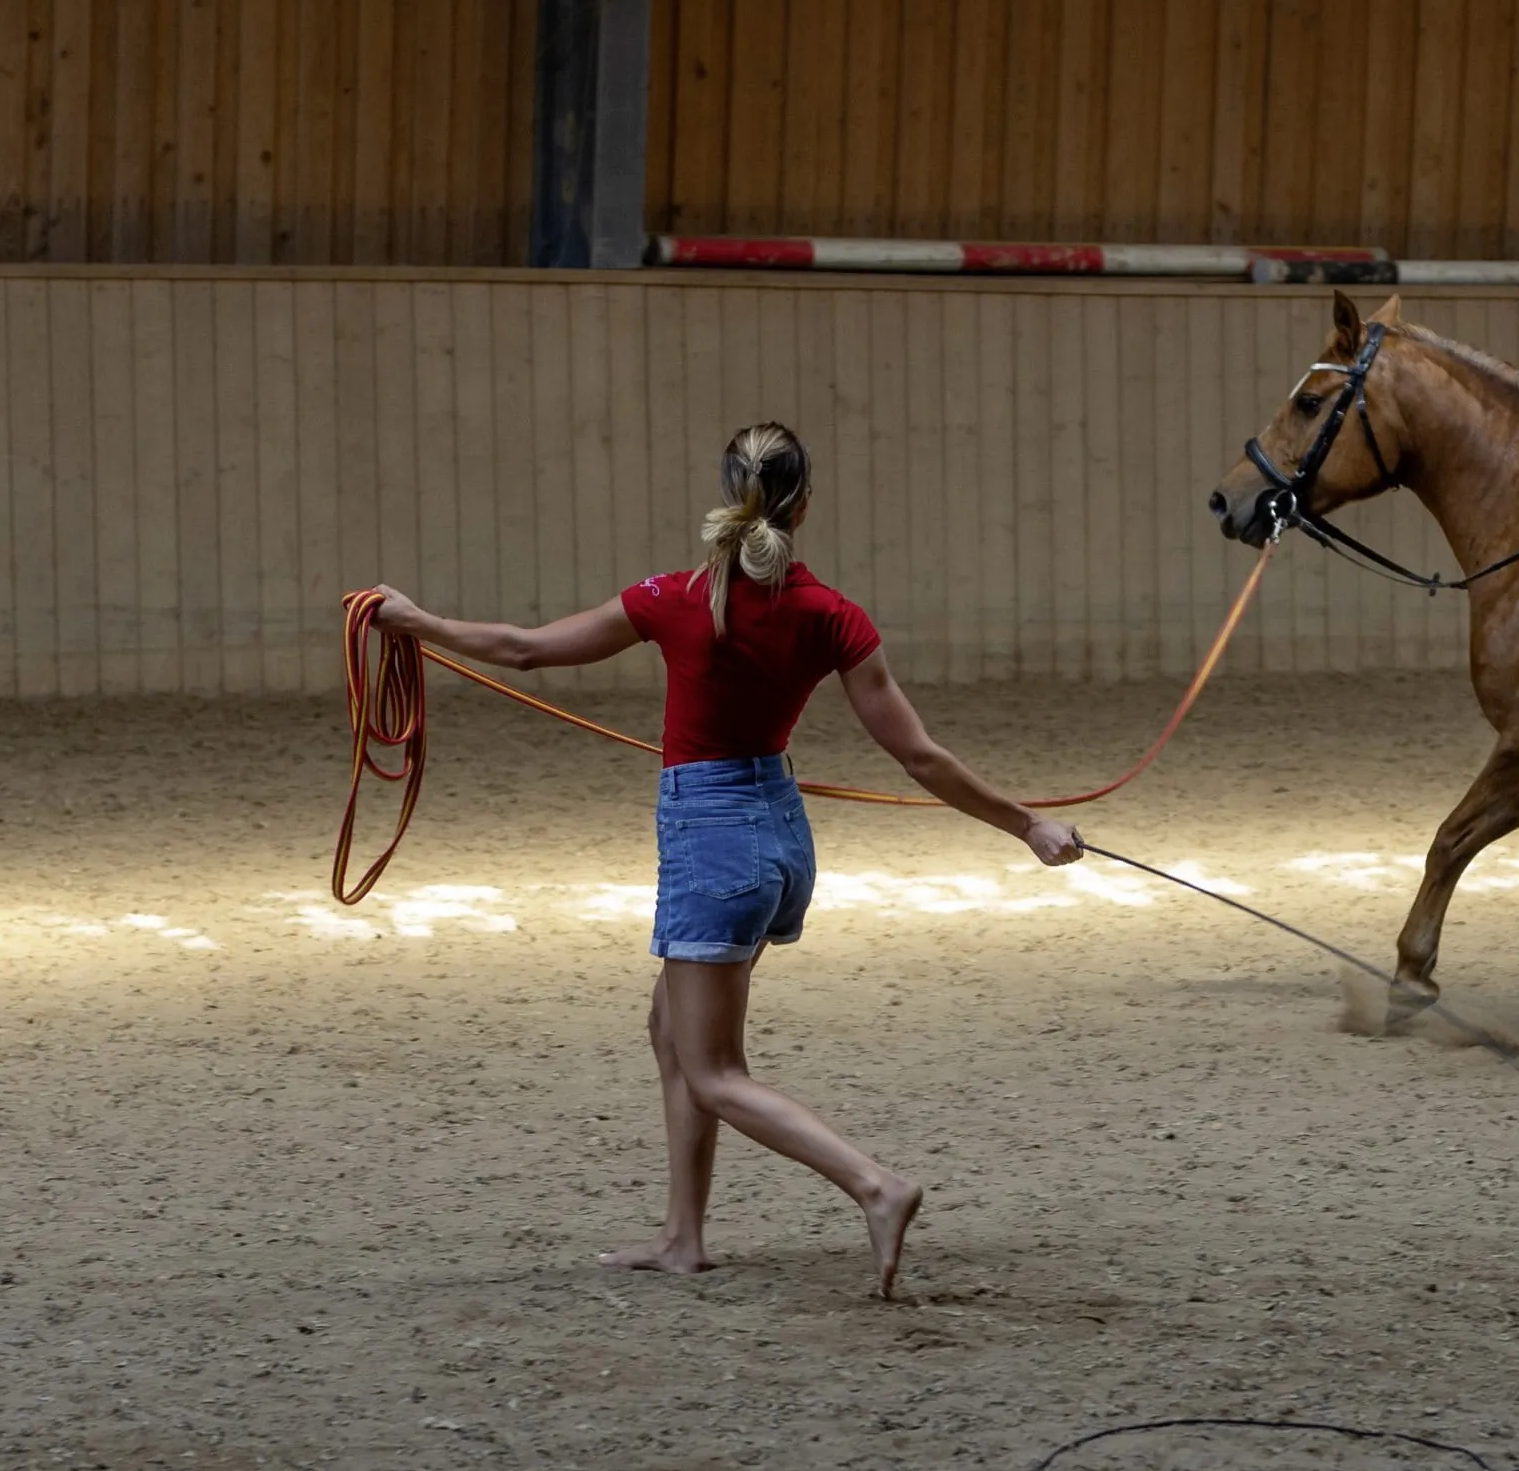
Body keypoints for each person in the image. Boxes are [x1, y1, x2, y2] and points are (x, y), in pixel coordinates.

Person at [368, 422, 1083, 1298]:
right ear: (805, 504)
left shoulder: (668, 597)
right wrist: (1028, 825)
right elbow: (920, 755)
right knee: (672, 1031)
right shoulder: (834, 617)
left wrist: (417, 622)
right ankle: (682, 1237)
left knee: (714, 1070)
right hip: (778, 835)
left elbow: (525, 648)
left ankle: (875, 1184)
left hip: (712, 843)